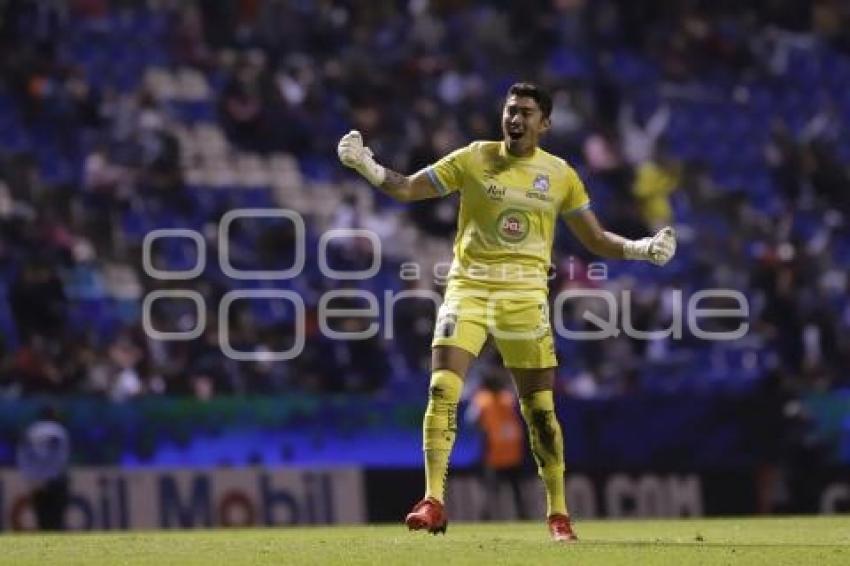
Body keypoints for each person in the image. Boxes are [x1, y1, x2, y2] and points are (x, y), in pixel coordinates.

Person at [337, 82, 676, 542]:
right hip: (469, 290)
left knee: (540, 412)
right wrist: (368, 166)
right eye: (510, 110)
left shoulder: (559, 175)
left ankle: (558, 515)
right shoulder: (473, 157)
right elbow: (410, 189)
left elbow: (594, 239)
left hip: (525, 298)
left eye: (526, 112)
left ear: (545, 123)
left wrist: (641, 248)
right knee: (442, 389)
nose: (515, 118)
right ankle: (432, 500)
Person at [467, 368, 528, 521]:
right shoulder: (504, 398)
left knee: (506, 489)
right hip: (499, 451)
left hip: (503, 451)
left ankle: (513, 515)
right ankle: (489, 516)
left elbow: (471, 421)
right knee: (499, 489)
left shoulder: (490, 399)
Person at [17, 407, 71, 530]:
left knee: (42, 519)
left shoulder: (31, 430)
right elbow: (62, 456)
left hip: (36, 479)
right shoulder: (58, 430)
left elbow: (23, 455)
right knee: (57, 518)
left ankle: (45, 544)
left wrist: (30, 476)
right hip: (55, 479)